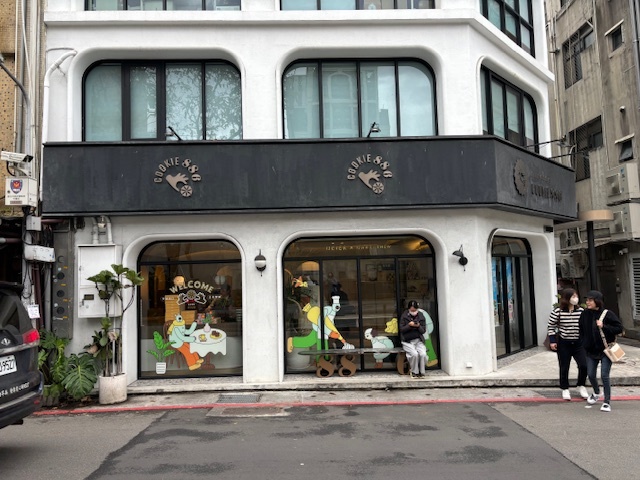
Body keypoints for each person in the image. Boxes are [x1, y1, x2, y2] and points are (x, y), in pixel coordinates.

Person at [578, 290, 624, 412]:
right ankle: (597, 392)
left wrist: (604, 326)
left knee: (604, 375)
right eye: (587, 300)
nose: (587, 302)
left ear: (597, 301)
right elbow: (581, 329)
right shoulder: (584, 314)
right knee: (591, 374)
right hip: (590, 350)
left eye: (590, 300)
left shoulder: (607, 314)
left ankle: (606, 402)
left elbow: (619, 328)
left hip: (605, 350)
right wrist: (583, 343)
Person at [547, 288, 588, 401]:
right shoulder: (558, 311)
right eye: (573, 296)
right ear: (567, 298)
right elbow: (551, 326)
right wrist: (552, 341)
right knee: (564, 366)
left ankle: (581, 385)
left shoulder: (581, 311)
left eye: (576, 296)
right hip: (564, 343)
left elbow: (586, 326)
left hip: (579, 343)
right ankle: (565, 388)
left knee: (584, 365)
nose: (575, 298)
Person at [399, 300, 428, 378]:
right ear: (409, 309)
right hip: (407, 341)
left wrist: (418, 326)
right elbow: (402, 329)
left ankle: (422, 372)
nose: (413, 312)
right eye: (412, 310)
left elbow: (423, 330)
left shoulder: (421, 316)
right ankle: (414, 371)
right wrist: (409, 325)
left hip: (418, 340)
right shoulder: (404, 316)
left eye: (415, 310)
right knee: (414, 354)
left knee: (423, 354)